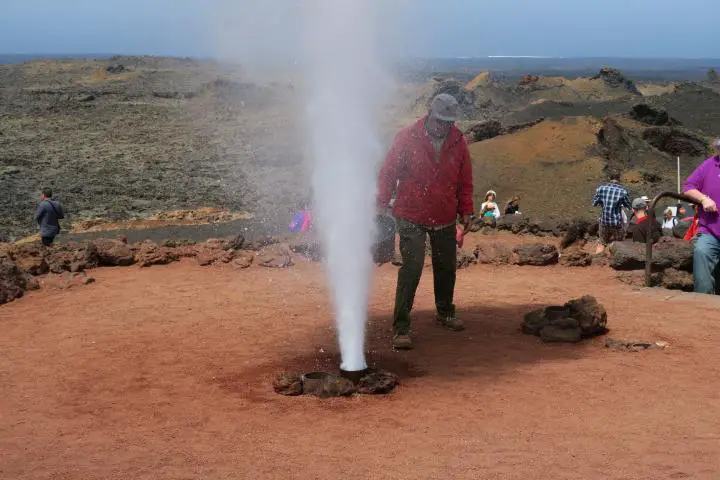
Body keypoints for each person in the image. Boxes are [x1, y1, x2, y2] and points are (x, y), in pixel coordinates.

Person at [377, 93, 473, 350]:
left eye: (449, 122)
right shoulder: (407, 137)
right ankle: (401, 327)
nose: (444, 126)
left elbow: (464, 179)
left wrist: (466, 210)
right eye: (440, 120)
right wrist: (381, 202)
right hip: (411, 214)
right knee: (412, 266)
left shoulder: (458, 140)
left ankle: (445, 312)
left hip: (443, 214)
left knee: (446, 266)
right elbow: (389, 172)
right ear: (430, 114)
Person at [683, 138, 720, 294]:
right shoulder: (709, 165)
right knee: (701, 251)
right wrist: (704, 199)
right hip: (710, 230)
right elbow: (688, 187)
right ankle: (703, 300)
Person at [592, 170, 631, 253]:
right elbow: (628, 205)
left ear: (609, 178)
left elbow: (594, 203)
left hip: (604, 221)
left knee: (602, 243)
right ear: (619, 179)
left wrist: (603, 203)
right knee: (619, 244)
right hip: (616, 223)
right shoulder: (623, 192)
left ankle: (597, 260)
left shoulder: (601, 189)